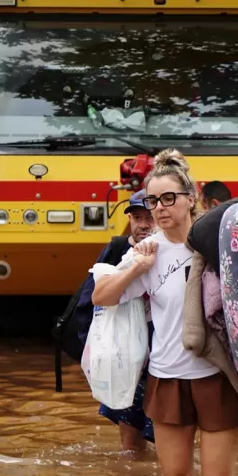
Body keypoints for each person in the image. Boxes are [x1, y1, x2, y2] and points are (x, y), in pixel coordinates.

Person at [92, 149, 238, 476]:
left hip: (218, 376)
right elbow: (102, 296)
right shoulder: (146, 250)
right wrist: (138, 269)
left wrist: (233, 256)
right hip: (167, 378)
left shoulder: (215, 238)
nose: (160, 207)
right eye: (153, 200)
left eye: (169, 198)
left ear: (190, 198)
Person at [71, 190, 157, 453]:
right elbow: (91, 301)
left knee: (169, 438)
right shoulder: (118, 249)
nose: (143, 224)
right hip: (127, 357)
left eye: (149, 217)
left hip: (164, 357)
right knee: (130, 443)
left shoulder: (177, 251)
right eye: (137, 217)